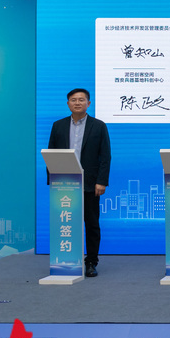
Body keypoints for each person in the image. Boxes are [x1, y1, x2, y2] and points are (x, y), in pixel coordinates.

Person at [48, 88, 111, 277]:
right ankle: (67, 259)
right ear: (68, 103)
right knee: (66, 222)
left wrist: (101, 181)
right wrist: (52, 179)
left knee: (91, 224)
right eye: (73, 100)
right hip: (64, 183)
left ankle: (91, 261)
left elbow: (105, 156)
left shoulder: (98, 126)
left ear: (88, 103)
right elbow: (51, 153)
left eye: (81, 100)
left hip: (90, 183)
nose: (77, 103)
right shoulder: (58, 126)